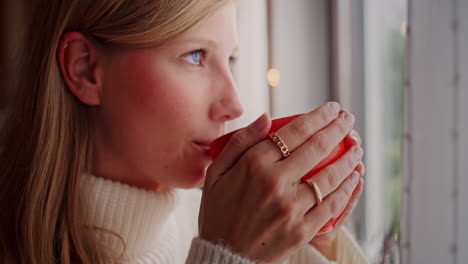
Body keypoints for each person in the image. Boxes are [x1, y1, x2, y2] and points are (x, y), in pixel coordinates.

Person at [0, 0, 368, 263]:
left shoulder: (220, 215)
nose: (234, 105)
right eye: (195, 56)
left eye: (231, 61)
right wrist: (227, 255)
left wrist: (314, 241)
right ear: (85, 69)